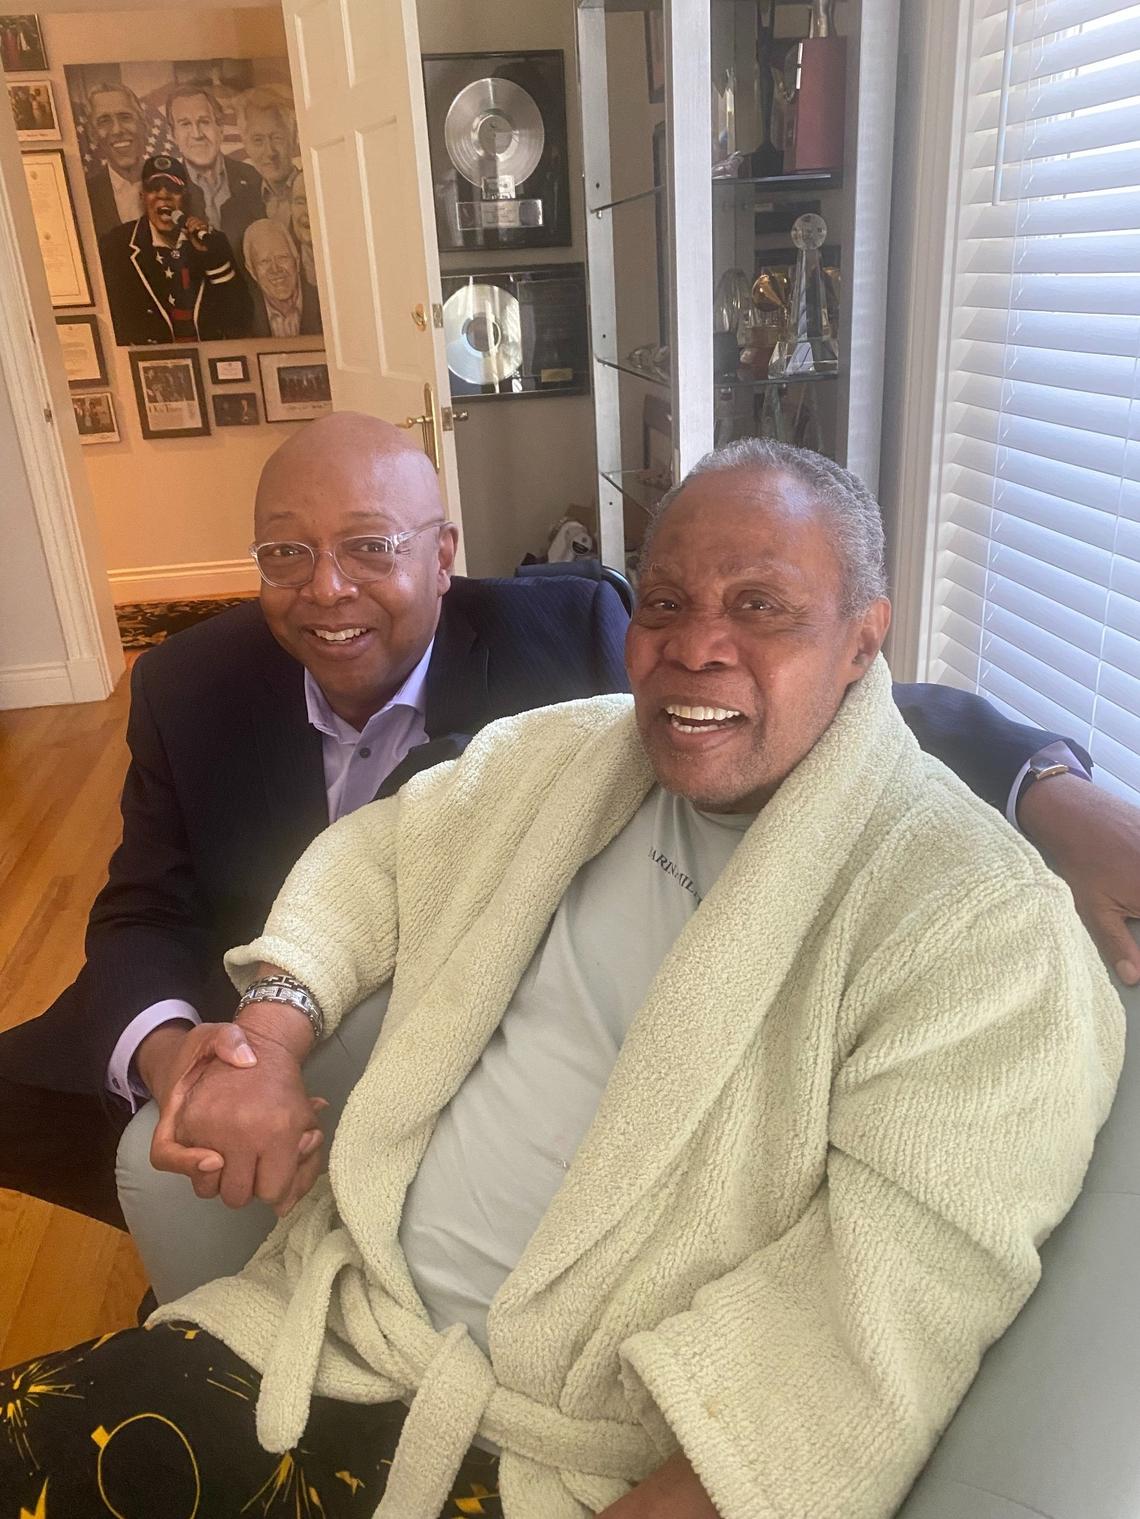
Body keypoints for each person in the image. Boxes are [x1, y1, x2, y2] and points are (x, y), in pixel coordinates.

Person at [0, 440, 1124, 1519]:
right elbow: (376, 859)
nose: (695, 644)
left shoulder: (973, 928)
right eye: (667, 601)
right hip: (331, 1335)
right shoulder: (566, 756)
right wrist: (275, 1030)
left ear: (864, 641)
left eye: (762, 605)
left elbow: (878, 1321)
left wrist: (1049, 789)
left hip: (564, 1466)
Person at [0, 413, 630, 1229]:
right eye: (287, 553)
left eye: (371, 547)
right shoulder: (186, 684)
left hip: (473, 1025)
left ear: (443, 558)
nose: (326, 588)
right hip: (244, 998)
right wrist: (176, 1058)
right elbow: (144, 908)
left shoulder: (572, 645)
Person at [99, 153, 251, 345]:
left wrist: (211, 259)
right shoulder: (117, 246)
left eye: (173, 188)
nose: (164, 196)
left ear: (186, 197)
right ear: (142, 197)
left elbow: (240, 319)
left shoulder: (213, 241)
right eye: (154, 189)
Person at [165, 84, 264, 274]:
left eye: (204, 121)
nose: (197, 134)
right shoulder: (167, 190)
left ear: (220, 128)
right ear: (173, 135)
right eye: (185, 124)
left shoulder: (252, 178)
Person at [83, 83, 148, 238]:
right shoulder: (86, 195)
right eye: (104, 121)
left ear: (143, 125)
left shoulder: (177, 183)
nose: (117, 130)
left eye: (125, 117)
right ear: (93, 134)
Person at [244, 216, 320, 337]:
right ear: (252, 271)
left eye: (282, 257)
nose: (275, 269)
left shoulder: (323, 302)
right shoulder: (243, 316)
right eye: (264, 261)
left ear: (297, 260)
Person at [238, 85, 299, 224]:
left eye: (277, 138)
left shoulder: (316, 190)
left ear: (294, 138)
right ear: (246, 144)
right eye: (258, 140)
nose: (270, 152)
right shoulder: (236, 206)